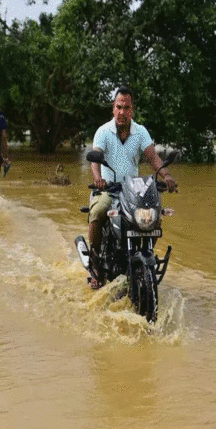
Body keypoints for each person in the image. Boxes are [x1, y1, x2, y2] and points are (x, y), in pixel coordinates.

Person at [87, 85, 178, 289]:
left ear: (132, 110)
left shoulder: (140, 132)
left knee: (153, 217)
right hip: (109, 189)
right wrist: (98, 178)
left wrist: (167, 175)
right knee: (98, 211)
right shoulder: (103, 131)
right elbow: (95, 159)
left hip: (133, 191)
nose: (122, 112)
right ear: (113, 108)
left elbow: (153, 157)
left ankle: (145, 257)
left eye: (126, 108)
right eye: (119, 107)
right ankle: (95, 267)